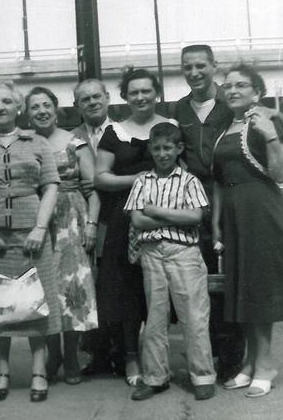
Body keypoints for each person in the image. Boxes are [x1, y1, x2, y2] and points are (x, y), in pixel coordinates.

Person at [0, 81, 62, 403]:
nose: (1, 107)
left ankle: (38, 372)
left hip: (31, 236)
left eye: (7, 101)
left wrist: (39, 228)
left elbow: (50, 186)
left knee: (34, 305)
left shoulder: (37, 143)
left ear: (18, 107)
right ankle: (0, 371)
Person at [212, 63, 283, 397]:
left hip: (262, 212)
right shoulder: (226, 126)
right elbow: (220, 181)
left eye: (241, 85)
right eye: (228, 85)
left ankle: (266, 364)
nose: (232, 90)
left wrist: (271, 136)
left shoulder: (267, 121)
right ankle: (249, 363)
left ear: (256, 92)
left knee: (261, 289)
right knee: (242, 289)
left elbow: (281, 174)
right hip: (234, 216)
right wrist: (218, 223)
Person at [94, 66, 175, 385]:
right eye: (134, 92)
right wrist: (139, 179)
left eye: (147, 91)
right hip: (123, 219)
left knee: (159, 289)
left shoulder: (171, 128)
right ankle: (131, 358)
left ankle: (158, 356)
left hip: (162, 216)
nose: (141, 97)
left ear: (157, 94)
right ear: (124, 96)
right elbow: (100, 177)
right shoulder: (114, 132)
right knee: (127, 291)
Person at [124, 122, 216, 401]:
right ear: (150, 150)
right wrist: (172, 214)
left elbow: (195, 217)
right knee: (155, 318)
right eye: (157, 148)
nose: (162, 154)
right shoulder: (142, 181)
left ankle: (202, 375)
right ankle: (155, 377)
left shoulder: (189, 181)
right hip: (152, 253)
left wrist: (157, 211)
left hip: (184, 253)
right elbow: (137, 219)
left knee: (194, 316)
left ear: (178, 149)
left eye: (168, 148)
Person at [172, 44, 245, 380]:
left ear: (214, 66)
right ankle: (210, 351)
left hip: (229, 199)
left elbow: (268, 120)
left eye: (201, 65)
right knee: (201, 281)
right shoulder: (179, 108)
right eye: (188, 67)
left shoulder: (229, 103)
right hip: (195, 204)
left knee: (231, 278)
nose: (194, 73)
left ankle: (232, 356)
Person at [25, 86, 99, 385]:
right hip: (36, 223)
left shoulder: (75, 143)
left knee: (72, 290)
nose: (41, 111)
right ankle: (52, 354)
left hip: (71, 221)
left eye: (46, 105)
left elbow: (93, 191)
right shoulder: (23, 143)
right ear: (27, 113)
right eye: (34, 107)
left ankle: (70, 356)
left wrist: (92, 225)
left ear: (56, 109)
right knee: (44, 291)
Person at [71, 79, 114, 375]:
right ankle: (96, 353)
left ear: (108, 98)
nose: (92, 102)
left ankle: (122, 351)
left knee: (116, 284)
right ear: (77, 106)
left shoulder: (122, 131)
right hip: (83, 218)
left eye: (96, 96)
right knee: (90, 284)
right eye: (84, 99)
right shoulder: (70, 137)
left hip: (119, 216)